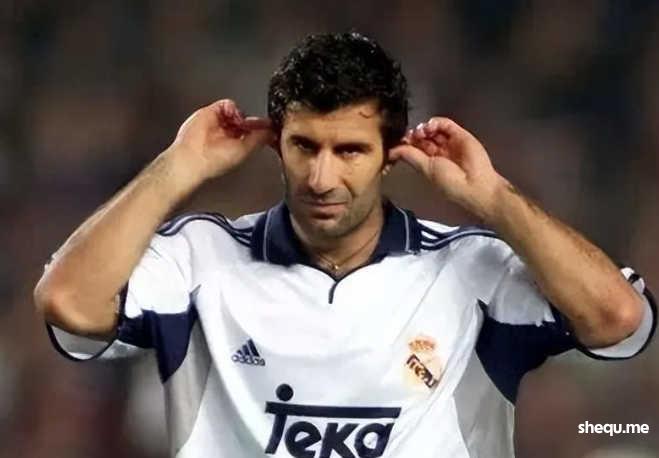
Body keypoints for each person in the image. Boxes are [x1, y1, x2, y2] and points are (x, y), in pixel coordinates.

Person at [34, 32, 655, 458]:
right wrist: (177, 167)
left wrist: (494, 197)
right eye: (304, 146)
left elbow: (619, 319)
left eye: (350, 150)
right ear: (277, 144)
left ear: (391, 156)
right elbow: (67, 301)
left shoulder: (472, 270)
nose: (321, 177)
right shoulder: (200, 259)